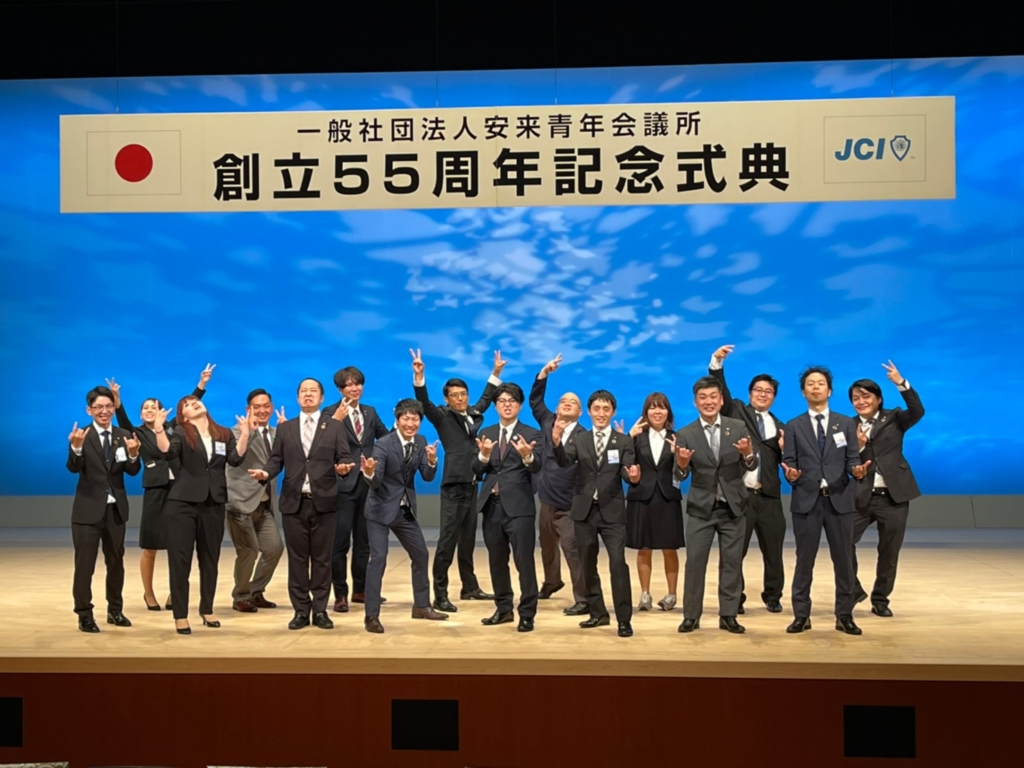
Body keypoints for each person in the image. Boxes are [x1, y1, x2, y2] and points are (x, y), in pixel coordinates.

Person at [249, 378, 354, 630]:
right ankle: (300, 611)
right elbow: (276, 460)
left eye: (313, 391)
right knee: (297, 560)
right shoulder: (285, 428)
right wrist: (265, 473)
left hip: (324, 502)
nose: (308, 395)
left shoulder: (334, 426)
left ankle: (320, 610)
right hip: (294, 503)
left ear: (321, 397)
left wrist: (342, 468)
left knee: (322, 560)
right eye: (303, 391)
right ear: (297, 398)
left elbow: (344, 456)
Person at [110, 364, 213, 612]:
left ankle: (174, 593)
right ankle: (148, 593)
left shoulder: (171, 429)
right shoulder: (136, 433)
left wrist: (201, 385)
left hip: (179, 489)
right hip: (155, 491)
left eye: (153, 407)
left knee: (179, 545)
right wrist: (117, 401)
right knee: (151, 546)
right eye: (145, 408)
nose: (149, 410)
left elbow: (187, 407)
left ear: (161, 412)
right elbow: (122, 421)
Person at [781, 366, 872, 636]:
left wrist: (857, 471)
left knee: (844, 560)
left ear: (829, 390)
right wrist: (792, 474)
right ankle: (801, 615)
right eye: (810, 384)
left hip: (840, 500)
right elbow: (789, 461)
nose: (815, 387)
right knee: (804, 561)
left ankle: (844, 615)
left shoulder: (845, 423)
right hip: (806, 501)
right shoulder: (793, 425)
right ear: (803, 391)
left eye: (820, 383)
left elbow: (852, 458)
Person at [412, 348, 504, 613]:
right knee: (447, 542)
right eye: (455, 395)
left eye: (464, 394)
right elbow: (424, 403)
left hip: (473, 484)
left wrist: (495, 373)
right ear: (447, 399)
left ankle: (469, 586)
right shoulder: (442, 416)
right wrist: (419, 377)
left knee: (467, 541)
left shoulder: (472, 413)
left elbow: (486, 399)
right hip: (453, 487)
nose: (461, 399)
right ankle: (440, 595)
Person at [156, 394, 251, 634]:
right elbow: (169, 453)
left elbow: (235, 459)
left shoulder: (223, 433)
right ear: (184, 416)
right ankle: (180, 615)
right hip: (182, 505)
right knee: (180, 562)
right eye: (187, 405)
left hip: (213, 503)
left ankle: (207, 609)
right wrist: (158, 429)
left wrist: (245, 434)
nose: (193, 404)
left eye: (194, 401)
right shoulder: (181, 432)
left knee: (210, 559)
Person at [672, 377, 757, 634]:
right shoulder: (686, 434)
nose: (708, 402)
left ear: (721, 400)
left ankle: (728, 615)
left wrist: (748, 454)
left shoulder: (738, 427)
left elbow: (751, 464)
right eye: (703, 397)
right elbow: (679, 475)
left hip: (733, 507)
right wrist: (682, 464)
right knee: (695, 563)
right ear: (695, 402)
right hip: (701, 509)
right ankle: (691, 616)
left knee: (732, 563)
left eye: (712, 397)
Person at [708, 345, 787, 614]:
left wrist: (787, 452)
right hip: (740, 496)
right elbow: (722, 392)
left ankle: (773, 595)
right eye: (758, 390)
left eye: (768, 391)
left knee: (773, 552)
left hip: (769, 497)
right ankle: (735, 598)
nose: (763, 394)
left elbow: (788, 461)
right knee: (734, 551)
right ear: (750, 393)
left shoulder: (781, 426)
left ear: (774, 397)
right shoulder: (737, 411)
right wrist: (717, 363)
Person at [361, 398, 450, 633]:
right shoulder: (383, 444)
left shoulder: (420, 441)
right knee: (379, 559)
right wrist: (369, 473)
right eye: (406, 419)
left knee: (421, 554)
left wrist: (432, 461)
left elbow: (427, 476)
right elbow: (376, 481)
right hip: (380, 510)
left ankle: (421, 605)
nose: (411, 423)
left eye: (415, 419)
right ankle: (371, 616)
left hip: (404, 509)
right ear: (397, 420)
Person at [554, 389, 636, 638]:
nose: (601, 413)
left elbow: (628, 473)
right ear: (589, 412)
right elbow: (564, 461)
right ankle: (598, 613)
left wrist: (633, 477)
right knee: (587, 565)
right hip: (585, 511)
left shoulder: (623, 442)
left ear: (613, 412)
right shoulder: (580, 440)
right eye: (597, 409)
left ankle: (624, 619)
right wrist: (556, 442)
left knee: (618, 564)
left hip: (612, 512)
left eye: (606, 409)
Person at [849, 361, 925, 618]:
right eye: (856, 398)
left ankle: (880, 599)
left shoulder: (894, 418)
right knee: (842, 543)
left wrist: (900, 383)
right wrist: (859, 448)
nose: (861, 401)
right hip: (860, 496)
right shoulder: (847, 426)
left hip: (894, 496)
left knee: (889, 552)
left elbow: (917, 410)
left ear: (878, 399)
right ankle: (853, 590)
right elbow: (842, 461)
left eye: (866, 396)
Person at [67, 385, 141, 632]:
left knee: (116, 563)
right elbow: (73, 467)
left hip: (115, 511)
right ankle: (84, 615)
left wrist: (134, 455)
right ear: (89, 410)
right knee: (85, 566)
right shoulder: (81, 435)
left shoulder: (123, 435)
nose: (104, 411)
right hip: (87, 512)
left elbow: (132, 471)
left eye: (109, 406)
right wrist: (76, 448)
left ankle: (115, 611)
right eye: (98, 407)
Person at [472, 383, 543, 632]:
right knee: (497, 561)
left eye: (512, 400)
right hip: (491, 507)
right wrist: (483, 456)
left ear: (520, 405)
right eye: (502, 401)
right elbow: (476, 469)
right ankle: (503, 610)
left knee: (524, 563)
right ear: (495, 406)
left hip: (519, 508)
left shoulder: (531, 434)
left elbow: (537, 466)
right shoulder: (486, 432)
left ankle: (527, 614)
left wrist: (527, 455)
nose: (507, 405)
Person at [324, 366, 390, 613]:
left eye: (358, 383)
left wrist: (403, 426)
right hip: (342, 484)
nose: (354, 388)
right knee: (340, 542)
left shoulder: (369, 412)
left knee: (364, 541)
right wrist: (335, 420)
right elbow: (323, 444)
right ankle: (340, 594)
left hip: (368, 484)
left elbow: (385, 438)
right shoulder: (330, 412)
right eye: (349, 385)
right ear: (340, 389)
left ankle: (360, 590)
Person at [529, 354, 589, 615]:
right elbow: (535, 401)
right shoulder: (547, 421)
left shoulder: (584, 436)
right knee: (547, 544)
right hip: (546, 499)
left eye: (573, 402)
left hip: (569, 504)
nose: (567, 403)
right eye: (563, 400)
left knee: (571, 549)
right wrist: (544, 373)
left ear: (580, 412)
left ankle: (583, 598)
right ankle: (552, 581)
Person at [620, 393, 684, 612]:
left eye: (662, 407)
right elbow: (624, 467)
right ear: (646, 412)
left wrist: (678, 457)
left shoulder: (677, 438)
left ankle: (672, 595)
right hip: (641, 497)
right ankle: (645, 594)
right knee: (643, 548)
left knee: (670, 548)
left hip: (667, 497)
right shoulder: (636, 437)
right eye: (653, 407)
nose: (657, 411)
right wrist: (628, 438)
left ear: (668, 412)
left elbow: (683, 470)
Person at [224, 388, 284, 613]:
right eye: (256, 407)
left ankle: (255, 591)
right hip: (239, 503)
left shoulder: (277, 433)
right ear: (248, 409)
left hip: (263, 503)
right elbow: (235, 459)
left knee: (274, 548)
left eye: (266, 406)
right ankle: (241, 596)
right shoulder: (235, 433)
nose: (262, 410)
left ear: (272, 407)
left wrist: (288, 433)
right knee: (248, 551)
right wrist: (247, 433)